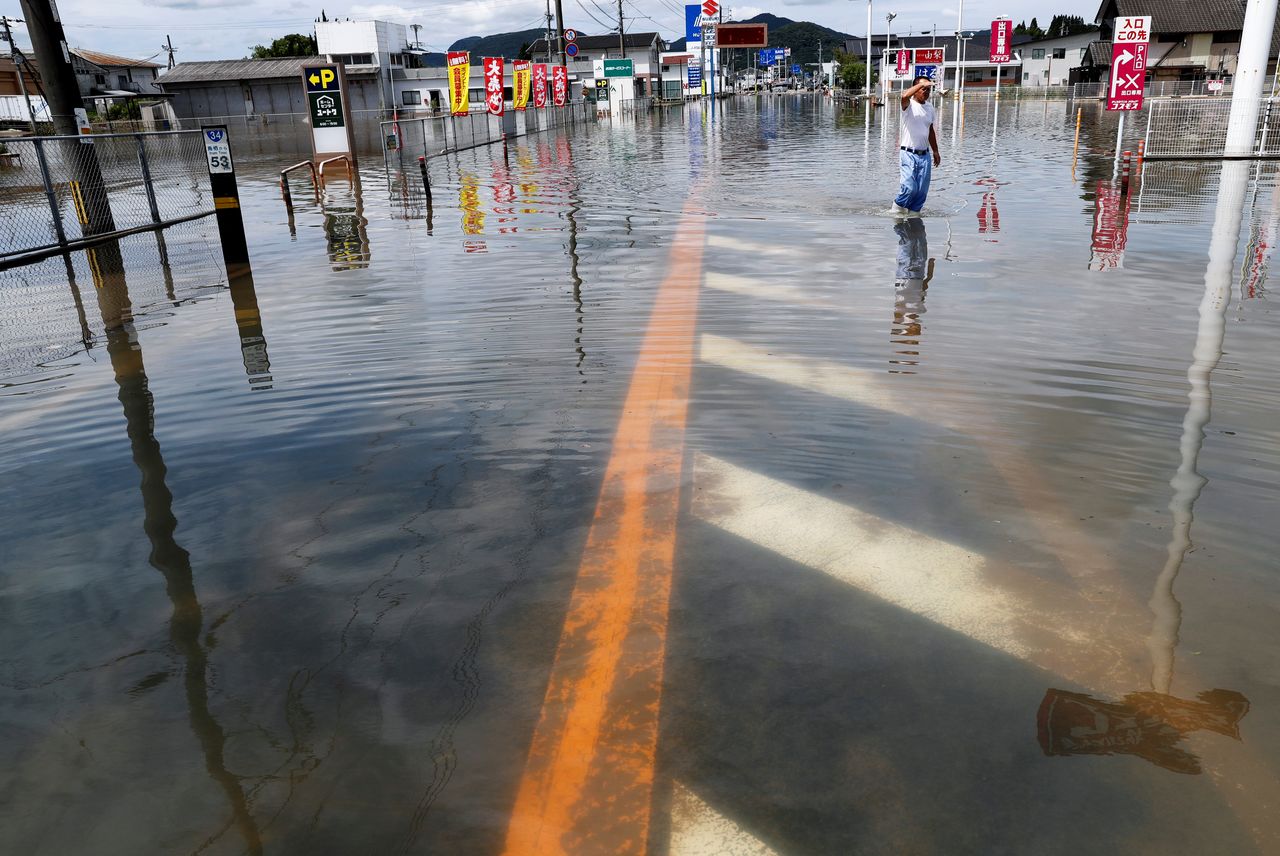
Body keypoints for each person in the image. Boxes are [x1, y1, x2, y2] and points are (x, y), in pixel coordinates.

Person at [892, 75, 942, 217]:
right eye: (923, 89)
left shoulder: (930, 108)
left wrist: (936, 151)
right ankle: (896, 215)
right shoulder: (908, 105)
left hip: (924, 155)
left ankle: (914, 225)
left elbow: (930, 130)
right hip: (908, 153)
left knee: (921, 193)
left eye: (928, 89)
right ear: (915, 89)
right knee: (909, 188)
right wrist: (921, 84)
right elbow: (904, 95)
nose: (926, 92)